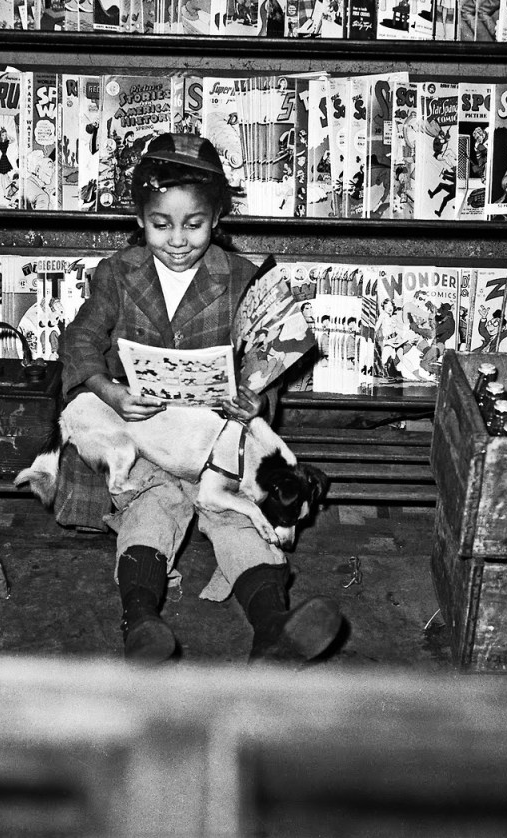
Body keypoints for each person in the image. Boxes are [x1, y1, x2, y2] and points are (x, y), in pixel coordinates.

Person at [58, 132, 344, 665]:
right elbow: (79, 339)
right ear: (139, 220)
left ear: (217, 218)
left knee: (241, 520)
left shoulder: (240, 277)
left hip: (218, 443)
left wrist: (256, 400)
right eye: (160, 224)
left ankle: (273, 627)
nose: (178, 239)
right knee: (153, 508)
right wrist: (109, 392)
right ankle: (141, 621)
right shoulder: (117, 273)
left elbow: (265, 363)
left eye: (195, 224)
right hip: (146, 438)